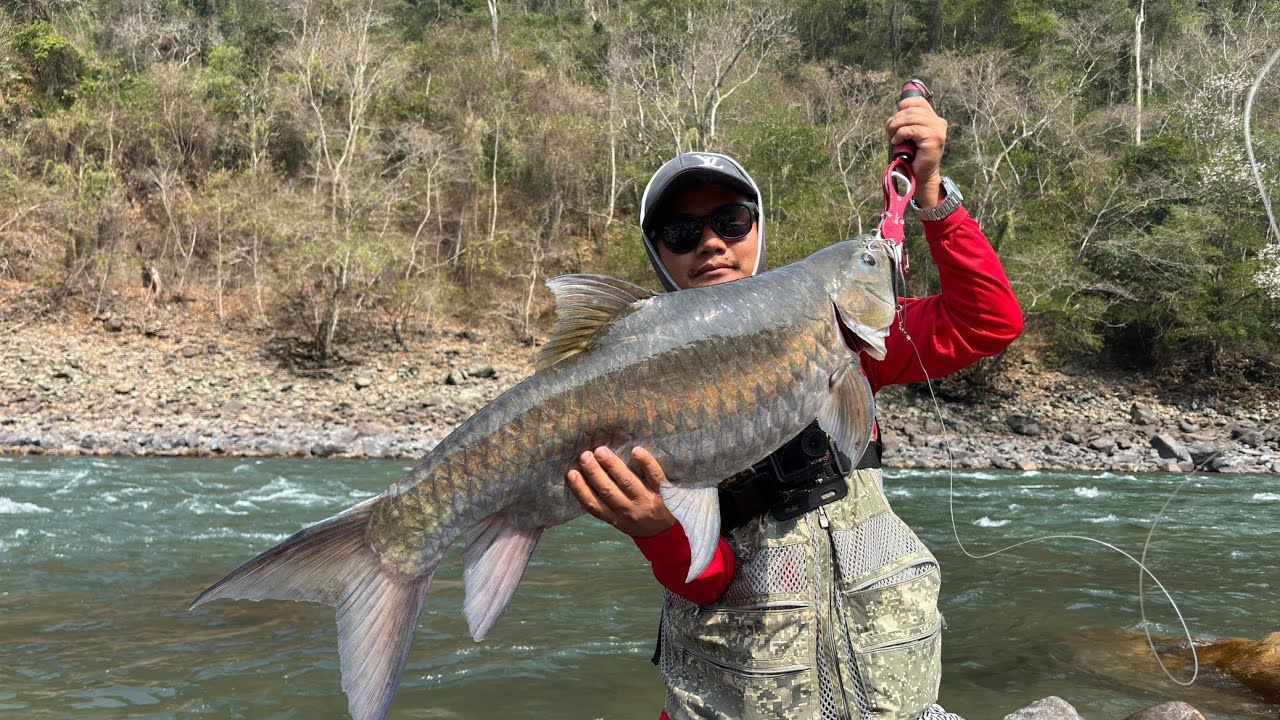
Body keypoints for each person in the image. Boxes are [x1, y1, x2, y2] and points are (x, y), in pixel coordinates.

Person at [566, 95, 1022, 720]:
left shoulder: (847, 331)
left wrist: (932, 194)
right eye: (680, 232)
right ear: (658, 253)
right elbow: (707, 581)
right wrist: (658, 532)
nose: (710, 244)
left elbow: (988, 321)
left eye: (730, 220)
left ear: (757, 226)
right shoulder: (630, 388)